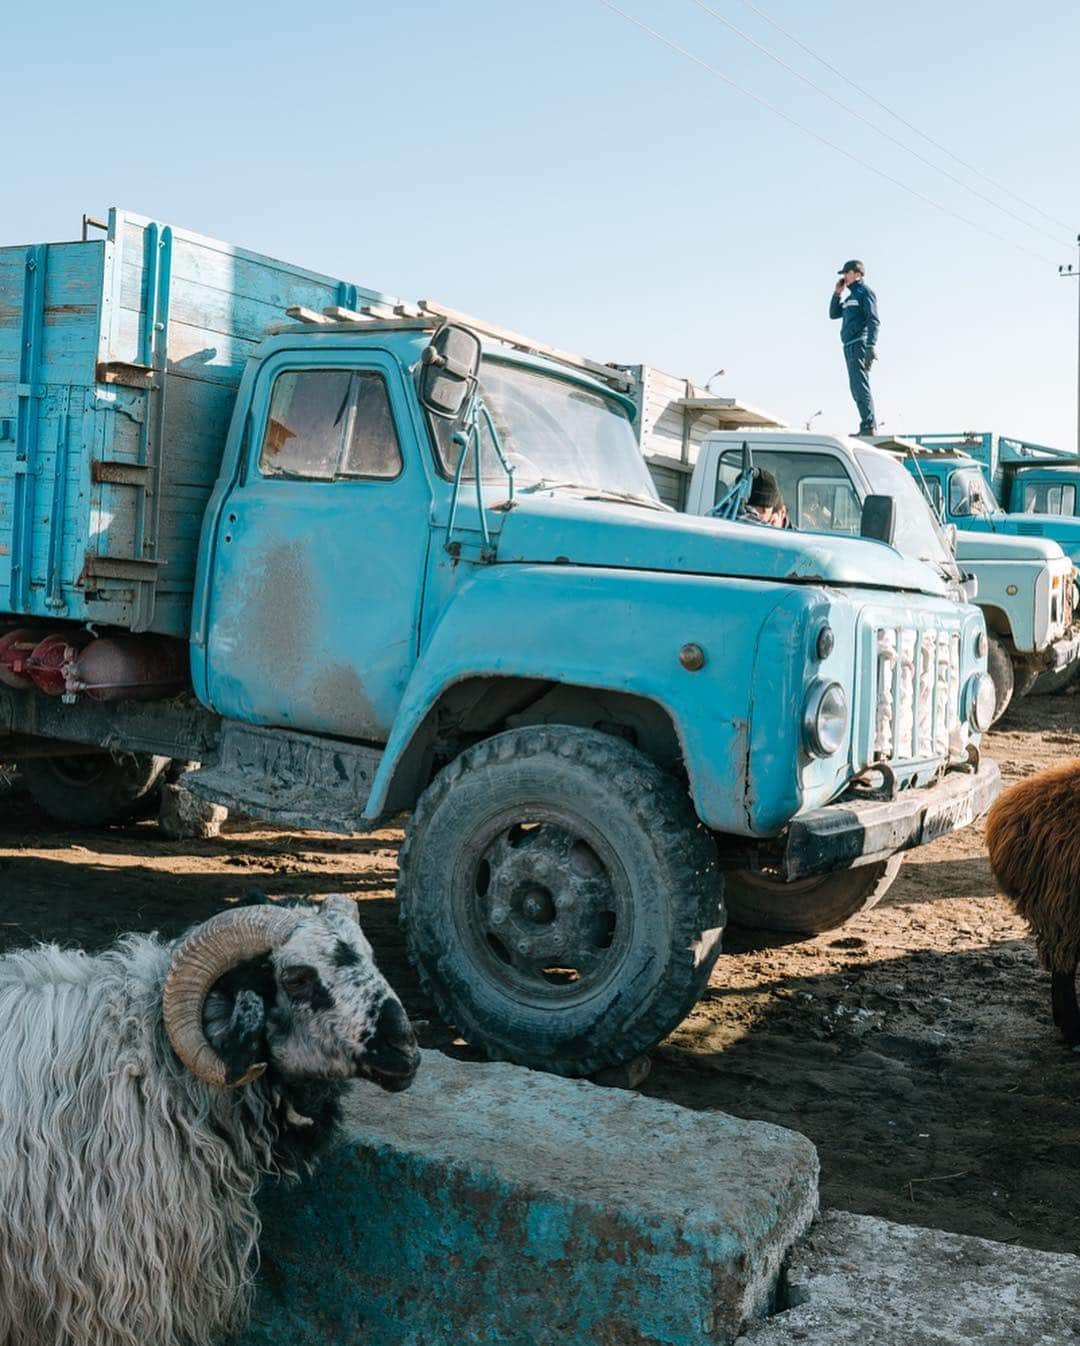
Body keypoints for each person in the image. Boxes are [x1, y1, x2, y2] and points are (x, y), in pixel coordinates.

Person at [830, 259, 879, 435]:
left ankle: (869, 425)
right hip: (849, 345)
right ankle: (865, 424)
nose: (844, 276)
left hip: (859, 344)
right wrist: (837, 294)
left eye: (846, 273)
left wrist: (871, 346)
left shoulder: (865, 293)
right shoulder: (850, 297)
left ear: (857, 274)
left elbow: (873, 320)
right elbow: (834, 314)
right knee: (854, 387)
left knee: (860, 385)